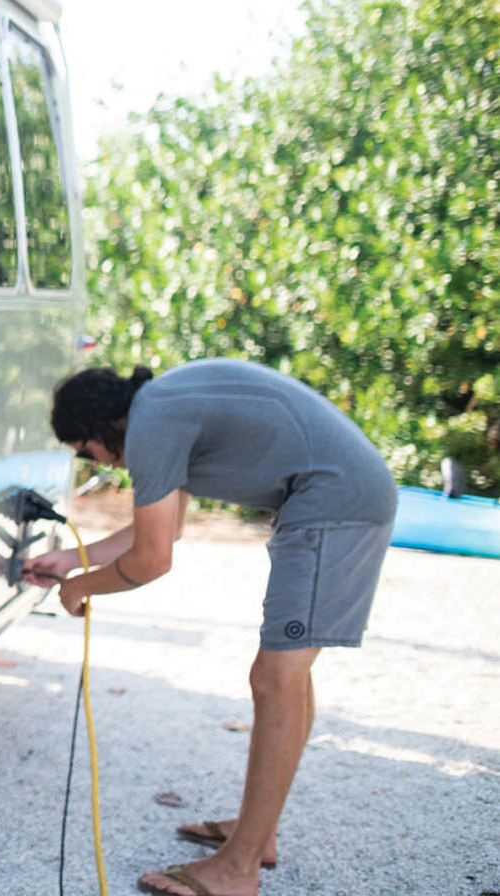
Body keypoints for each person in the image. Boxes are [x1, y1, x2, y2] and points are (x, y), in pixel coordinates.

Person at [23, 358, 397, 896]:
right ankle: (257, 835)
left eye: (85, 450)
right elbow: (165, 526)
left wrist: (83, 587)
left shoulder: (152, 423)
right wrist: (74, 563)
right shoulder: (162, 406)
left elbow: (153, 560)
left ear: (100, 429)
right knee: (288, 677)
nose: (93, 461)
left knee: (275, 679)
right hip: (340, 494)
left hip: (334, 502)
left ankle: (238, 869)